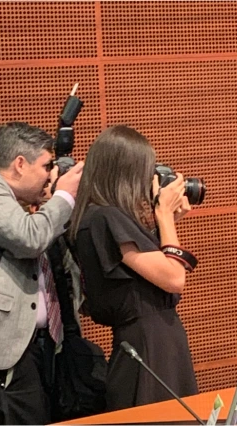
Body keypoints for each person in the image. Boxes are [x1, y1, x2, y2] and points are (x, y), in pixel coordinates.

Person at [68, 125, 198, 410]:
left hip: (157, 340)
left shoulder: (103, 217)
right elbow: (174, 278)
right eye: (146, 170)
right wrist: (163, 216)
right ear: (127, 173)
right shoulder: (104, 217)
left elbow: (152, 271)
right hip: (149, 344)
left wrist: (167, 222)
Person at [0, 122, 83, 424]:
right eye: (45, 166)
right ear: (20, 164)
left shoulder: (7, 197)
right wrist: (65, 196)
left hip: (35, 346)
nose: (49, 174)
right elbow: (29, 238)